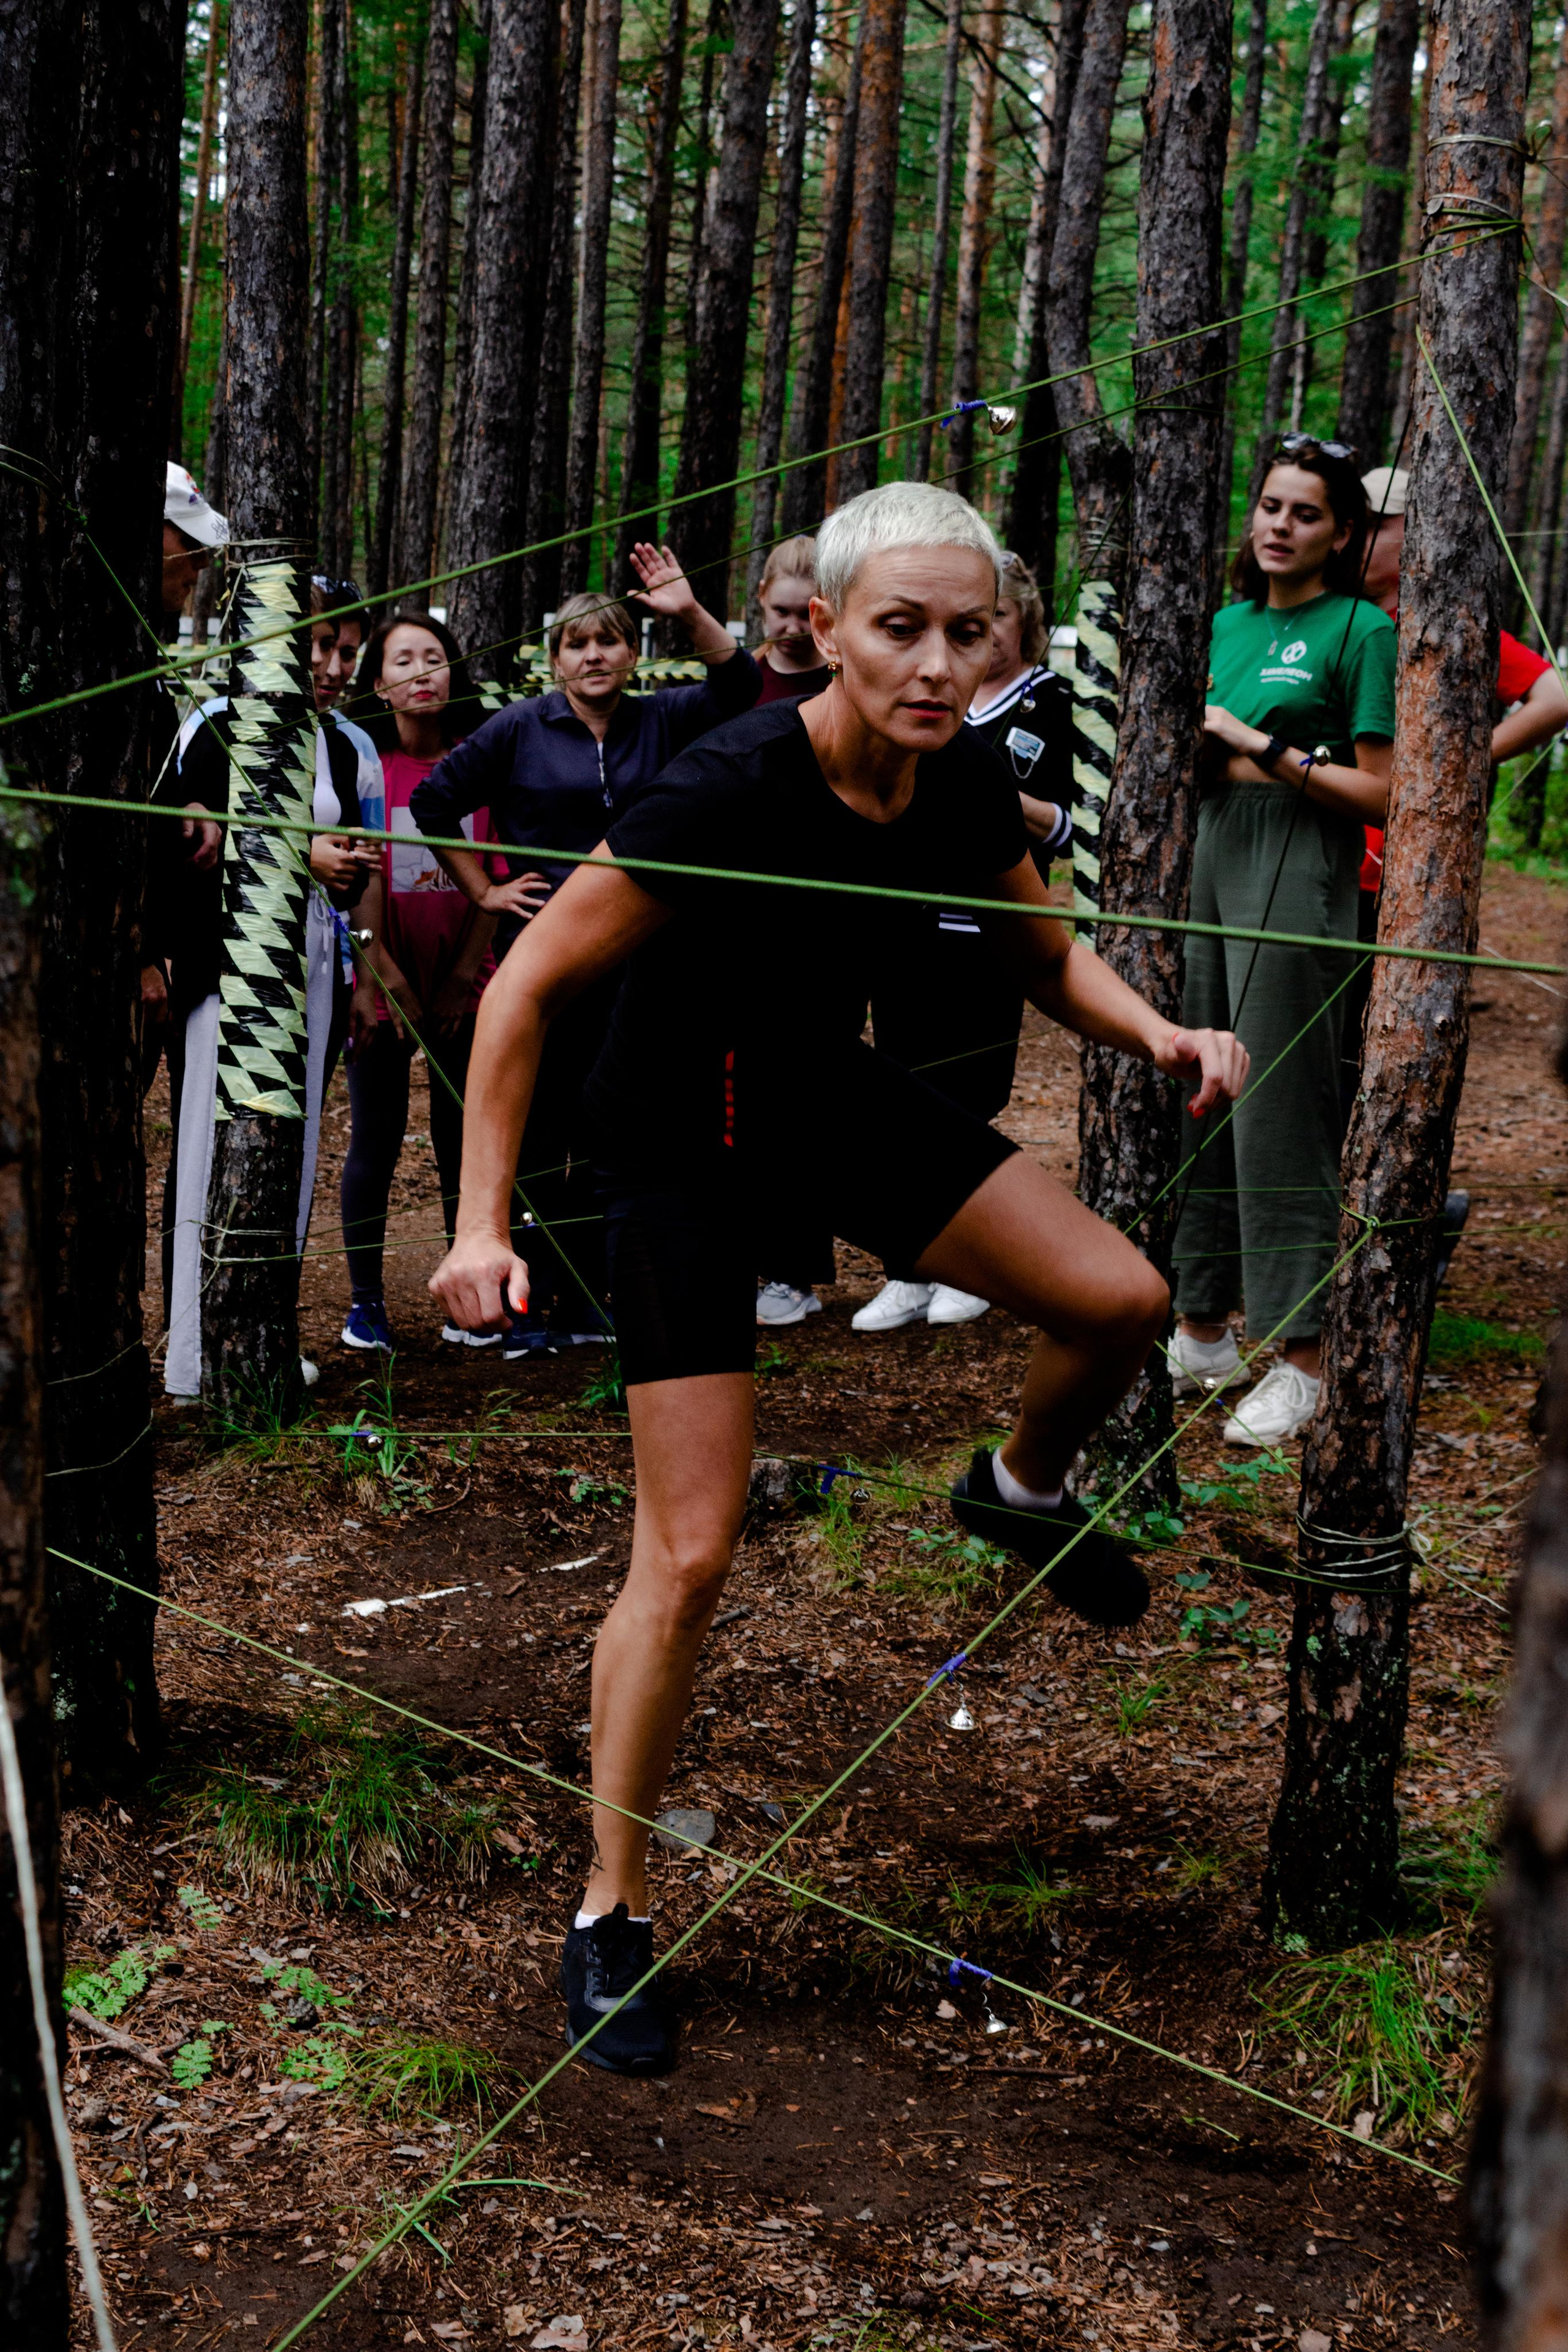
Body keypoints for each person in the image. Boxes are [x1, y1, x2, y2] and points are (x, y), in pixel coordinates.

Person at [429, 481, 1248, 2075]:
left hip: (821, 1097)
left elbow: (1041, 948)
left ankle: (1015, 1489)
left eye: (967, 631)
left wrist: (1155, 1031)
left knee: (1121, 1301)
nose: (938, 662)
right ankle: (607, 1914)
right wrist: (475, 1227)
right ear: (824, 633)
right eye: (901, 629)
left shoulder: (963, 777)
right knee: (694, 1549)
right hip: (672, 1142)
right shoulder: (727, 782)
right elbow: (526, 985)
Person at [410, 546, 761, 1355]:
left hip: (642, 960)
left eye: (609, 640)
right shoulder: (519, 728)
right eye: (576, 643)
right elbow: (433, 802)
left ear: (633, 653)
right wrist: (487, 891)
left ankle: (599, 1298)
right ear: (554, 659)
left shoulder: (665, 718)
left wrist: (688, 610)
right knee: (539, 1130)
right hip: (547, 961)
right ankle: (529, 1297)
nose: (594, 655)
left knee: (618, 1126)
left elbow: (742, 689)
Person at [1170, 434, 1396, 1447]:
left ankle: (1302, 1355)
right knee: (1200, 1081)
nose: (1279, 526)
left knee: (1279, 1101)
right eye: (1269, 506)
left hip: (1299, 867)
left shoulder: (1359, 628)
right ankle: (1202, 1323)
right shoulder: (1220, 623)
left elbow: (1381, 790)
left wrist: (1258, 745)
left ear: (1341, 533)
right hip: (1210, 857)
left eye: (1305, 513)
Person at [852, 549, 1076, 1336]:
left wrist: (977, 795)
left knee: (969, 1097)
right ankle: (906, 1270)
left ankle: (971, 1266)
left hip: (988, 929)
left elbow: (1062, 818)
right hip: (909, 925)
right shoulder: (929, 699)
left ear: (1021, 627)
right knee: (903, 1087)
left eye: (996, 621)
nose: (986, 639)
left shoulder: (1046, 702)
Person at [162, 583, 377, 1396]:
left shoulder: (346, 745)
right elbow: (185, 841)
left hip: (317, 965)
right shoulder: (214, 724)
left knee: (291, 1148)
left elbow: (349, 867)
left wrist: (347, 871)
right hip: (229, 971)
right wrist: (301, 856)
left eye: (347, 652)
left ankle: (262, 1339)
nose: (330, 666)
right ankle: (193, 1353)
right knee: (210, 1150)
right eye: (318, 646)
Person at [337, 610, 496, 1355]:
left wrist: (464, 979)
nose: (422, 673)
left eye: (434, 658)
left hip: (467, 988)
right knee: (375, 1137)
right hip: (381, 989)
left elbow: (497, 876)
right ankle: (366, 1305)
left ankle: (471, 1297)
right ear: (380, 684)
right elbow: (355, 878)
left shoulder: (477, 763)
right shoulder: (367, 769)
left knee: (463, 1139)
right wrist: (380, 972)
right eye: (403, 662)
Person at [753, 535, 834, 704]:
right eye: (781, 611)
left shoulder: (844, 680)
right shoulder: (743, 679)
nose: (793, 630)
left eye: (807, 614)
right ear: (762, 594)